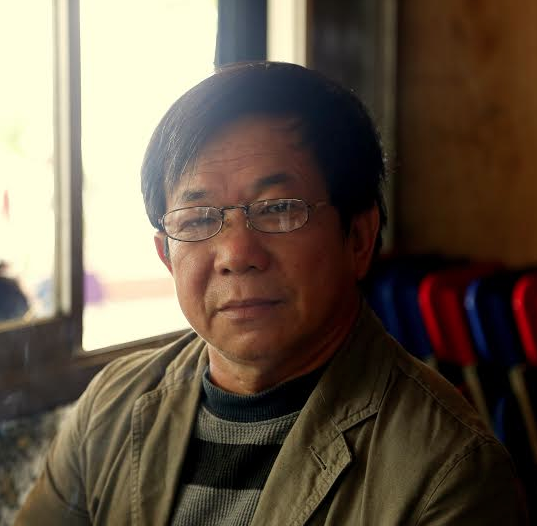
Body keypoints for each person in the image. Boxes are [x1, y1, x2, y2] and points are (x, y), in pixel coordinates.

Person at [16, 62, 527, 525]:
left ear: (358, 237)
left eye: (279, 209)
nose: (236, 253)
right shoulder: (110, 409)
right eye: (197, 219)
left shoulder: (449, 473)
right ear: (166, 255)